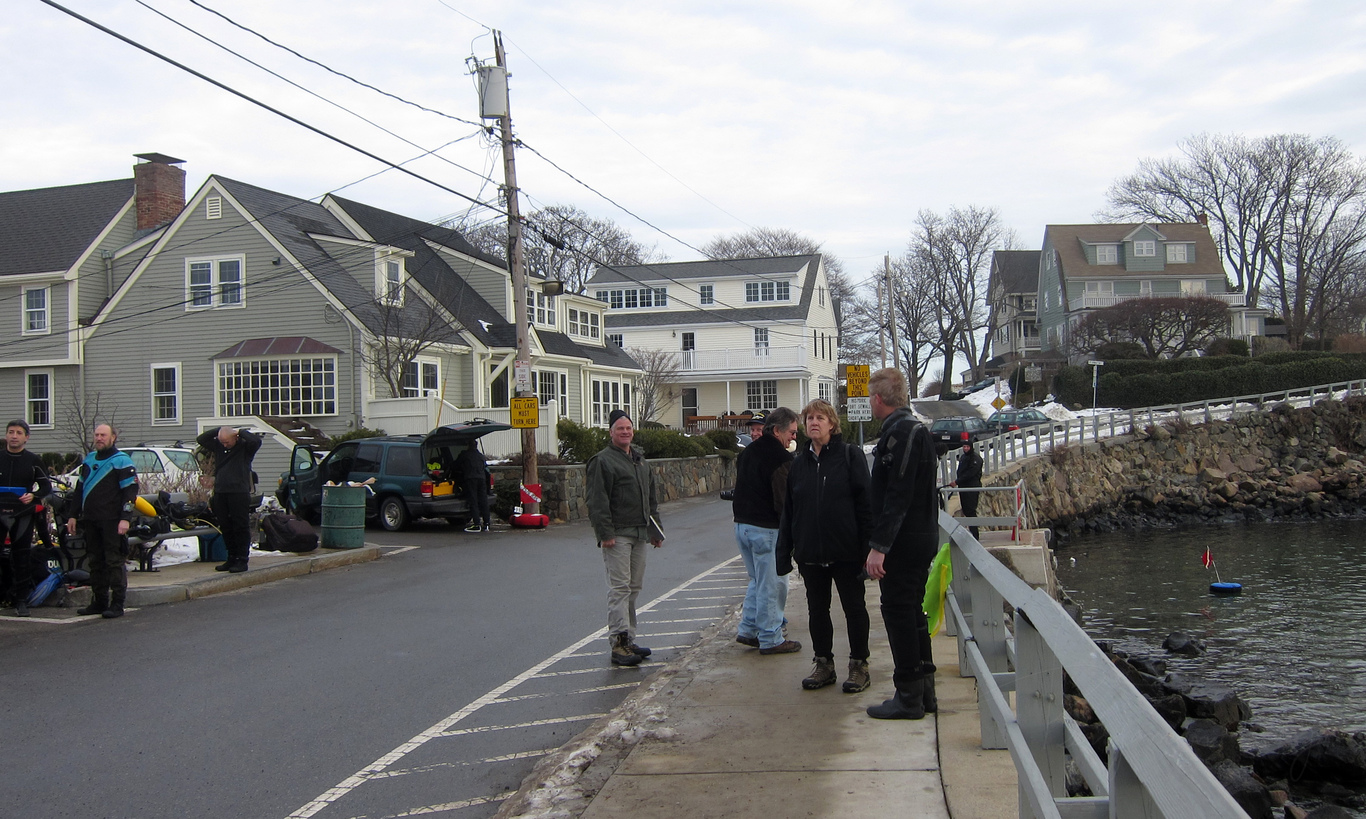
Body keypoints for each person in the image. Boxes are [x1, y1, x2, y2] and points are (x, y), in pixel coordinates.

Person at [778, 399, 873, 691]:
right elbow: (790, 511)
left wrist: (868, 550)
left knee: (854, 609)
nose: (814, 423)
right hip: (811, 553)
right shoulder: (798, 464)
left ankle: (859, 665)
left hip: (846, 552)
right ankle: (823, 664)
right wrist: (784, 552)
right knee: (817, 611)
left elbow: (866, 506)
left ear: (832, 423)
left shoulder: (850, 456)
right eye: (809, 418)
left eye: (820, 418)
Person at [864, 368, 942, 719]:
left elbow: (897, 494)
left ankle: (909, 696)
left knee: (898, 611)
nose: (870, 404)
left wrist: (878, 547)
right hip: (920, 537)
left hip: (904, 542)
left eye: (870, 398)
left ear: (878, 399)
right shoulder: (914, 430)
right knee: (911, 610)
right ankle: (924, 693)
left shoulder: (901, 433)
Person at [586, 409, 663, 667]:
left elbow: (651, 501)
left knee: (633, 588)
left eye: (628, 428)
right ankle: (618, 644)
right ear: (611, 432)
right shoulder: (602, 461)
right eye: (620, 428)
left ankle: (629, 638)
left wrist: (655, 531)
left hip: (640, 533)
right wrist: (605, 533)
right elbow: (597, 500)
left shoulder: (640, 461)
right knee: (619, 589)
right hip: (617, 535)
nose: (625, 432)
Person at [732, 408, 802, 655]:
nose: (794, 437)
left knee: (758, 581)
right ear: (777, 430)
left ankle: (749, 629)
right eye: (792, 432)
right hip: (766, 530)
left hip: (742, 526)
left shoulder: (747, 453)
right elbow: (783, 501)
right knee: (772, 584)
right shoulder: (780, 458)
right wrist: (794, 532)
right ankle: (771, 637)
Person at [66, 424, 138, 619]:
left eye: (103, 435)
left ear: (113, 437)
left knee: (114, 562)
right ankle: (99, 601)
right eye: (97, 435)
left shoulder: (122, 461)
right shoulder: (89, 459)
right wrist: (73, 515)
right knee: (95, 562)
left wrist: (125, 519)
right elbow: (79, 489)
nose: (99, 438)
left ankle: (117, 603)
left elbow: (130, 493)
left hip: (113, 520)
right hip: (91, 520)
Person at [1, 420, 52, 617]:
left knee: (21, 557)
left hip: (22, 514)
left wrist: (34, 495)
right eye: (11, 432)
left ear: (26, 438)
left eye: (19, 433)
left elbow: (46, 486)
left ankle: (21, 601)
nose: (14, 436)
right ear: (6, 435)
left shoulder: (33, 460)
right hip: (0, 511)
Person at [196, 425, 263, 573]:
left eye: (227, 442)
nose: (225, 445)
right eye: (222, 442)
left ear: (235, 438)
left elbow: (256, 441)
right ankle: (231, 557)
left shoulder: (245, 448)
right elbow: (201, 439)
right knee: (226, 526)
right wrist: (220, 430)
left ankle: (242, 559)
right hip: (221, 492)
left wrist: (239, 431)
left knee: (240, 526)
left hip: (239, 492)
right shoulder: (219, 447)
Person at [456, 442, 491, 533]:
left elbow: (456, 465)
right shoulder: (481, 456)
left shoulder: (465, 455)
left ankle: (477, 524)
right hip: (482, 478)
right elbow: (485, 467)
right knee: (483, 500)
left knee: (473, 500)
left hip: (471, 478)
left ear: (468, 446)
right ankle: (487, 523)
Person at [952, 442, 984, 539]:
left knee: (970, 510)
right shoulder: (963, 457)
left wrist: (957, 481)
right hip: (963, 487)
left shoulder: (975, 458)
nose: (965, 448)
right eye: (964, 446)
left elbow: (970, 473)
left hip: (972, 488)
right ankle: (972, 533)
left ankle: (975, 535)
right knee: (966, 510)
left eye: (967, 447)